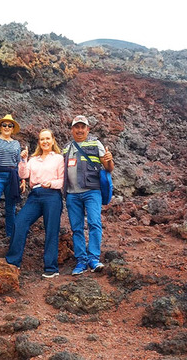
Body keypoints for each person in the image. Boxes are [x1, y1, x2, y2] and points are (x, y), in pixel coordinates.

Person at [6, 129, 64, 278]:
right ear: (39, 142)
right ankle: (13, 262)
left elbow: (63, 180)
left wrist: (50, 184)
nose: (45, 141)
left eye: (47, 139)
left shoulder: (58, 158)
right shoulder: (33, 159)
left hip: (52, 195)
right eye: (42, 139)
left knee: (51, 229)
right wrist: (23, 160)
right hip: (35, 195)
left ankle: (51, 268)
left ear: (52, 141)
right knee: (20, 223)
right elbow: (23, 175)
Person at [63, 115, 115, 275]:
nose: (79, 130)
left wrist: (109, 160)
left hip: (92, 191)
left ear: (88, 129)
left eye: (82, 127)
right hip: (72, 194)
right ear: (72, 129)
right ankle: (81, 261)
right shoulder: (67, 148)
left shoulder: (95, 143)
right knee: (76, 228)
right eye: (76, 127)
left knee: (94, 223)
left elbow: (108, 168)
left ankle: (93, 258)